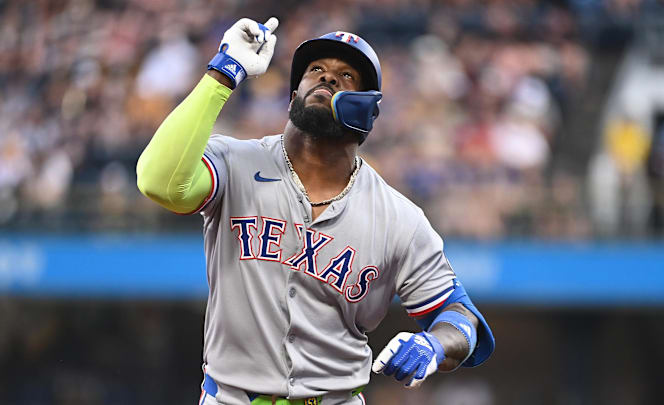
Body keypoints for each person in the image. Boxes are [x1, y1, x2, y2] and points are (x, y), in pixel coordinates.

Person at [137, 17, 494, 405]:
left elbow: (461, 318)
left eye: (346, 75)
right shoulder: (234, 161)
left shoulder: (398, 218)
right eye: (316, 70)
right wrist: (222, 74)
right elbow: (159, 182)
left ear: (367, 110)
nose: (327, 79)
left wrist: (433, 346)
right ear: (293, 97)